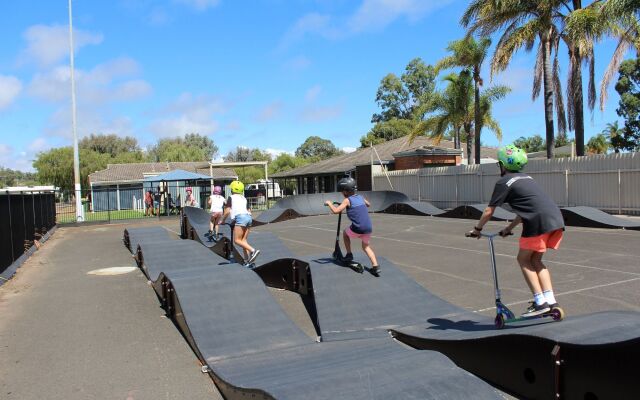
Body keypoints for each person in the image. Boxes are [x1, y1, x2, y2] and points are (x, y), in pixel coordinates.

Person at [469, 144, 565, 317]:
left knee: (523, 259)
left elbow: (489, 210)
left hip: (537, 222)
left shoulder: (503, 181)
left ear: (503, 165)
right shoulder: (527, 178)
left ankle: (540, 302)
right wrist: (509, 228)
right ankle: (551, 302)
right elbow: (527, 210)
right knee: (536, 260)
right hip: (555, 219)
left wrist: (477, 229)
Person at [325, 176, 380, 275]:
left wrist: (329, 203)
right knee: (366, 247)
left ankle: (349, 254)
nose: (342, 193)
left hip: (358, 227)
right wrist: (363, 204)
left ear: (345, 191)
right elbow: (368, 204)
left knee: (345, 233)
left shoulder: (347, 200)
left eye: (342, 191)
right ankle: (375, 266)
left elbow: (336, 211)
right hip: (368, 228)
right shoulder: (360, 197)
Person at [222, 180, 260, 265]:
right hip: (249, 217)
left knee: (237, 240)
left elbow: (227, 211)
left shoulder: (231, 197)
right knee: (243, 240)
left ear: (232, 189)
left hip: (240, 218)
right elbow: (248, 210)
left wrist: (223, 220)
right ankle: (247, 261)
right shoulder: (244, 198)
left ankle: (253, 251)